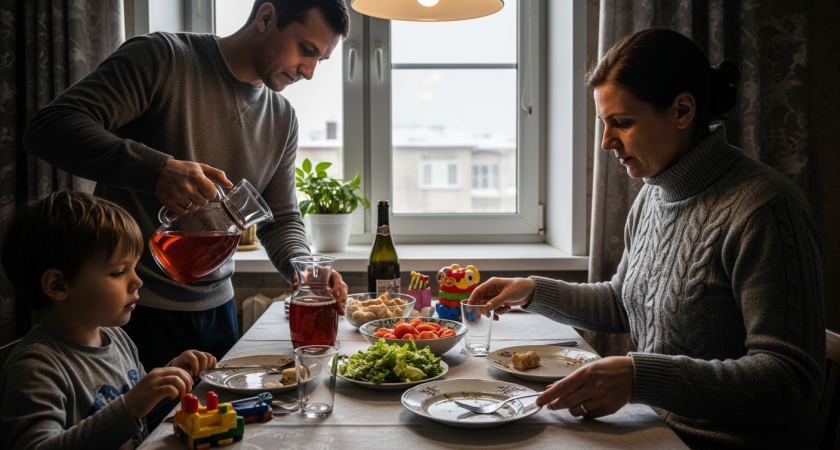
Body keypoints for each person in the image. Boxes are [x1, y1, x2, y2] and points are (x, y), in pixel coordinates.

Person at [468, 28, 824, 449]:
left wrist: (640, 377)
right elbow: (628, 302)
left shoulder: (765, 209)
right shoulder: (653, 195)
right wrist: (532, 291)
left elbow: (791, 382)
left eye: (622, 123)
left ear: (682, 110)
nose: (605, 142)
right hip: (652, 429)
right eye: (604, 123)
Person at [22, 0, 351, 371]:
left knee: (227, 427)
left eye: (319, 60)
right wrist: (156, 170)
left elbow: (279, 218)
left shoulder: (282, 117)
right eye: (305, 50)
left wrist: (303, 271)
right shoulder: (163, 58)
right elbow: (48, 128)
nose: (308, 72)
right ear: (266, 17)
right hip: (132, 312)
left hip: (220, 313)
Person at [0, 191, 218, 450]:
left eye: (134, 268)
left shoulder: (116, 338)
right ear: (57, 285)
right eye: (118, 272)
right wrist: (130, 407)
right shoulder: (35, 368)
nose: (138, 282)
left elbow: (138, 415)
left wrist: (170, 379)